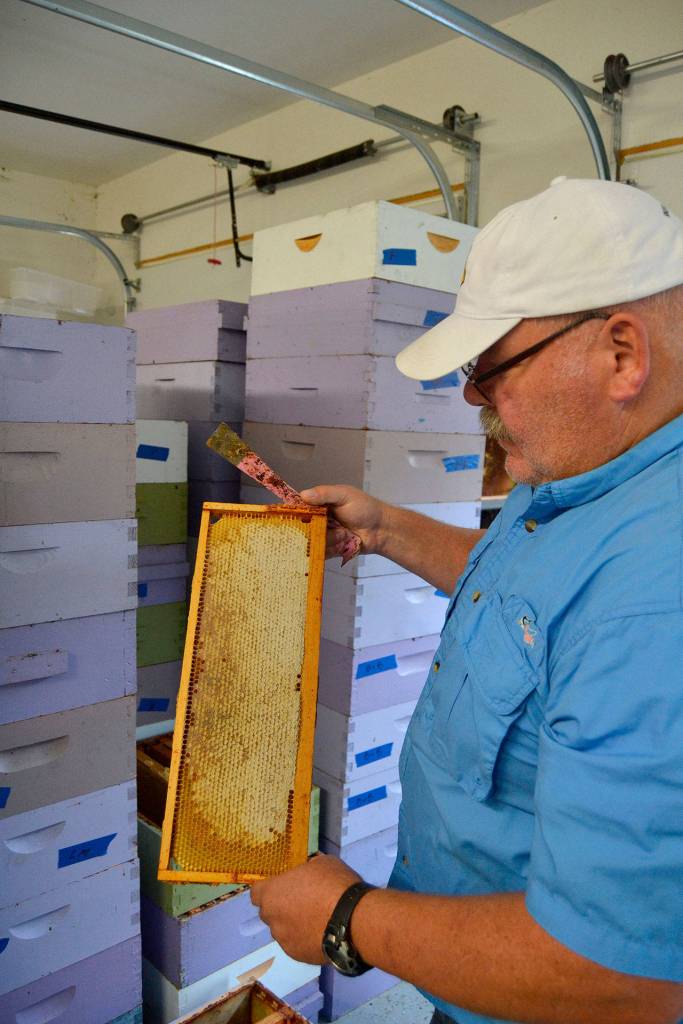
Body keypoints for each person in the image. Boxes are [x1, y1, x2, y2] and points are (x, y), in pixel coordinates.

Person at [251, 178, 683, 1024]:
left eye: (491, 371)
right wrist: (387, 528)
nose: (470, 399)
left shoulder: (656, 598)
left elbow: (622, 977)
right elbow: (533, 602)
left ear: (621, 354)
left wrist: (346, 920)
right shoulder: (586, 460)